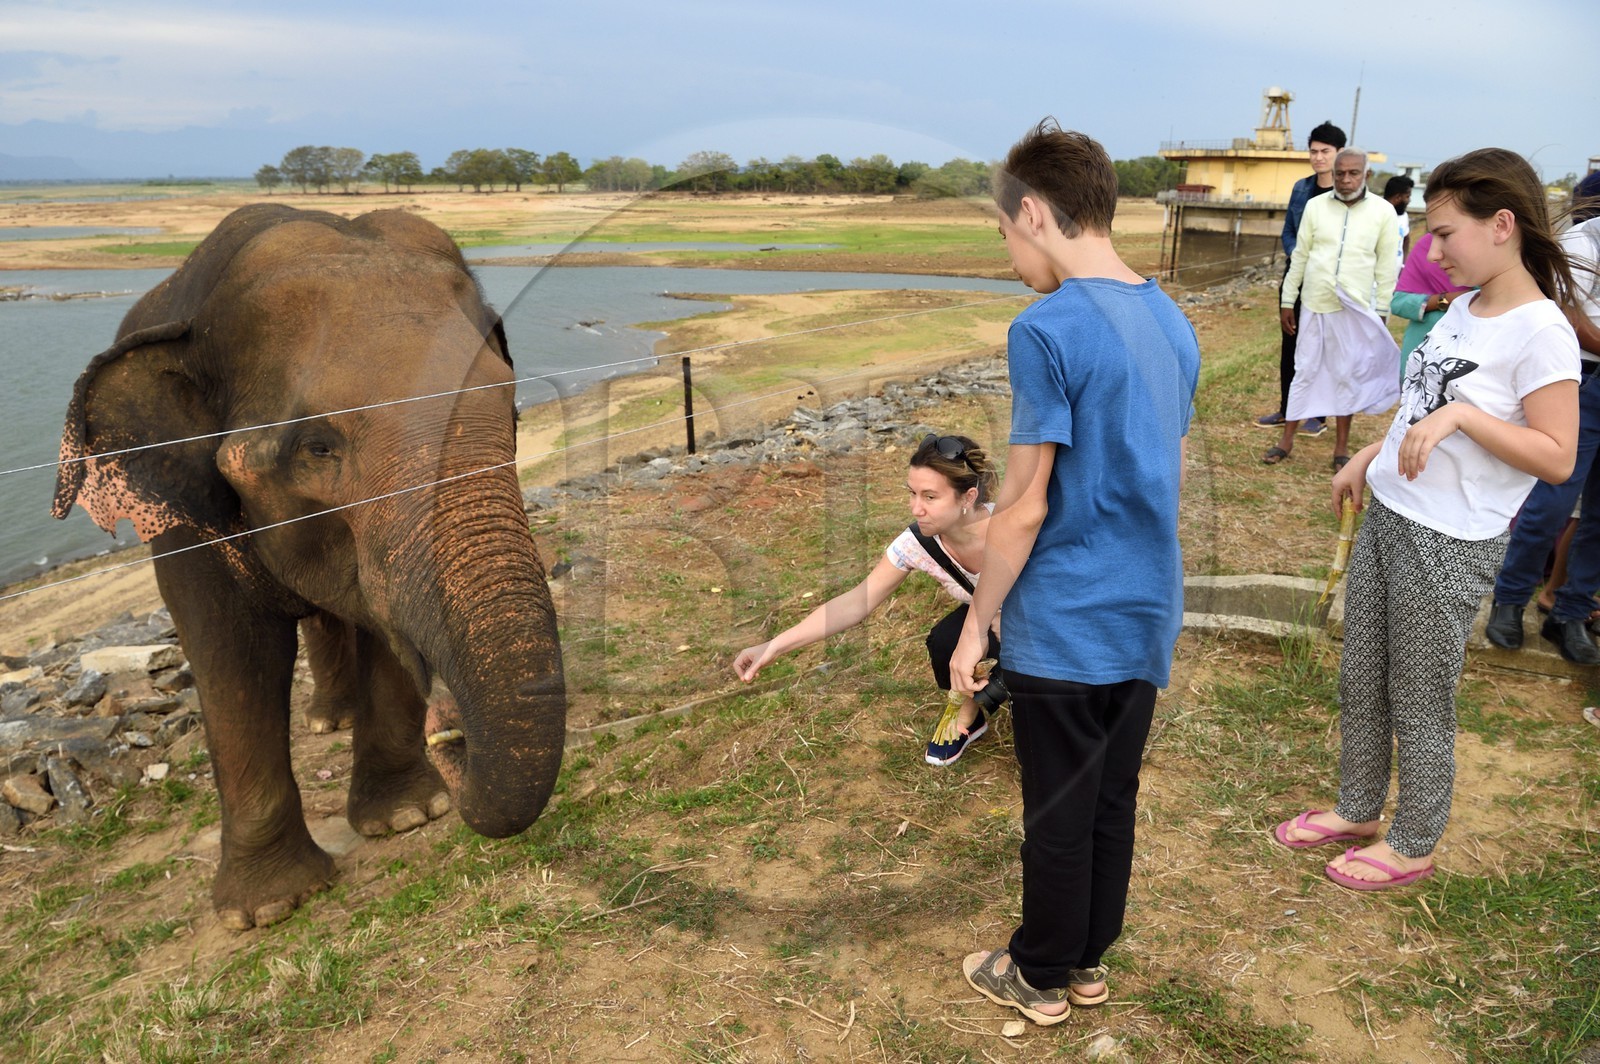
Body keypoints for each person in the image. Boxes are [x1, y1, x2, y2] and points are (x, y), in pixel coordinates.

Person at [1274, 147, 1580, 889]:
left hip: (1449, 540)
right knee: (1363, 674)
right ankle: (1357, 808)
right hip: (1393, 510)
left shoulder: (1541, 332)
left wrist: (1467, 420)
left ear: (1501, 225)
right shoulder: (1465, 310)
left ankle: (1413, 841)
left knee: (1419, 692)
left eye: (1445, 234)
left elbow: (1558, 456)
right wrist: (1372, 454)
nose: (1431, 250)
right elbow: (1426, 408)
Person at [952, 119, 1199, 1025]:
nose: (1012, 254)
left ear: (1033, 212)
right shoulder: (1171, 319)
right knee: (1110, 798)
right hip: (1146, 608)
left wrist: (977, 626)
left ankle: (1040, 975)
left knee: (1056, 806)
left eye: (1007, 235)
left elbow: (1022, 506)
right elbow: (1160, 467)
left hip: (1066, 615)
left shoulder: (1046, 327)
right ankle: (1089, 961)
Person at [731, 432, 1008, 765]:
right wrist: (773, 646)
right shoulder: (918, 544)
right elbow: (856, 601)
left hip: (1046, 619)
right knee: (944, 643)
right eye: (912, 493)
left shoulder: (1011, 526)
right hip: (985, 621)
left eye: (930, 497)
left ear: (968, 497)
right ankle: (970, 714)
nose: (915, 508)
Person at [1483, 170, 1600, 662]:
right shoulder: (1584, 239)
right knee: (1554, 499)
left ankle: (1570, 611)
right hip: (1583, 375)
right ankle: (1510, 600)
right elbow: (1566, 310)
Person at [1266, 147, 1401, 470]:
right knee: (1305, 368)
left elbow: (1387, 266)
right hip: (1315, 300)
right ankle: (1286, 440)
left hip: (1355, 307)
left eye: (1353, 173)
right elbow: (1299, 256)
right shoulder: (1315, 207)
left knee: (1347, 373)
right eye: (1340, 173)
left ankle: (1341, 448)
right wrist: (1288, 300)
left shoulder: (1383, 212)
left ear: (1366, 175)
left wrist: (1381, 310)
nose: (1345, 178)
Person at [1255, 120, 1346, 437]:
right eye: (1314, 151)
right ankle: (1287, 409)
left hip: (1328, 282)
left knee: (1321, 347)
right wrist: (1299, 255)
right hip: (1296, 276)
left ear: (1340, 153)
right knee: (1290, 344)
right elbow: (1288, 231)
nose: (1319, 157)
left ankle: (1318, 416)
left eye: (1325, 151)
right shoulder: (1300, 188)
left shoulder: (1348, 194)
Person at [1391, 231, 1474, 378]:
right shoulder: (1427, 244)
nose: (1434, 256)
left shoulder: (1489, 251)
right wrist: (1445, 299)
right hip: (1422, 346)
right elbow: (1399, 303)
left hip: (1471, 348)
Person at [1384, 174, 1416, 260]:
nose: (1409, 200)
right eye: (1407, 196)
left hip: (1397, 273)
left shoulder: (1404, 216)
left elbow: (1406, 240)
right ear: (1398, 197)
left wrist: (1403, 264)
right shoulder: (1377, 214)